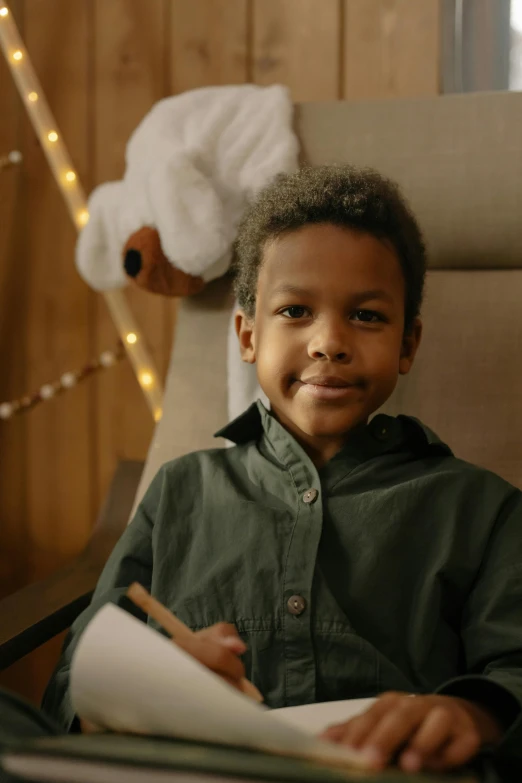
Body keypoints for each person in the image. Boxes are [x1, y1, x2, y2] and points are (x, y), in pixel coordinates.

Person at [41, 165, 522, 775]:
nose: (329, 341)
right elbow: (73, 683)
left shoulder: (483, 510)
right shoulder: (181, 491)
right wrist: (148, 679)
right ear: (247, 335)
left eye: (368, 316)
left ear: (408, 344)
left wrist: (472, 715)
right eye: (295, 311)